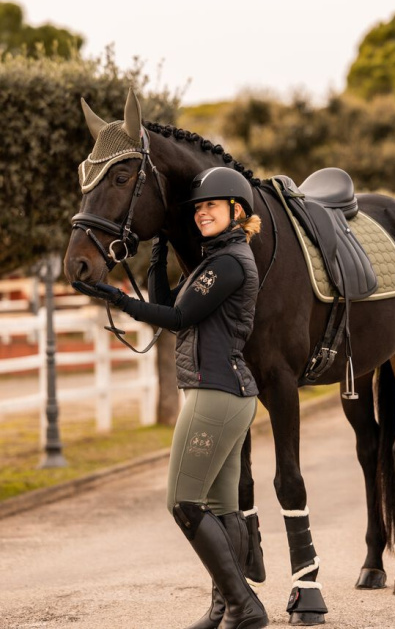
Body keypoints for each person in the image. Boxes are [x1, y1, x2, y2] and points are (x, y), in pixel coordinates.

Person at [73, 167, 268, 629]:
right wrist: (159, 255)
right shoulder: (216, 259)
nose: (202, 213)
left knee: (183, 502)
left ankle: (244, 605)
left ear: (236, 212)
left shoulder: (228, 262)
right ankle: (226, 608)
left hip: (215, 392)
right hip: (226, 393)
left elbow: (177, 317)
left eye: (212, 206)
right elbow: (169, 304)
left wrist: (114, 296)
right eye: (198, 207)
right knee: (222, 508)